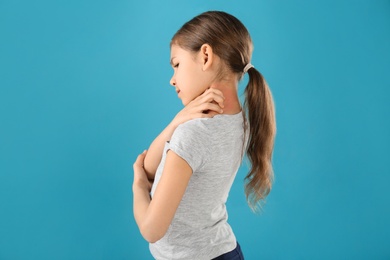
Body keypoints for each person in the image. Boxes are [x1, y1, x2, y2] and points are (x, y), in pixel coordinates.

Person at [132, 11, 276, 259]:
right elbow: (151, 166)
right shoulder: (239, 121)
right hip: (224, 251)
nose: (172, 80)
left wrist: (137, 186)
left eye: (176, 65)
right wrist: (178, 120)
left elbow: (151, 229)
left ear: (206, 55)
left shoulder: (194, 134)